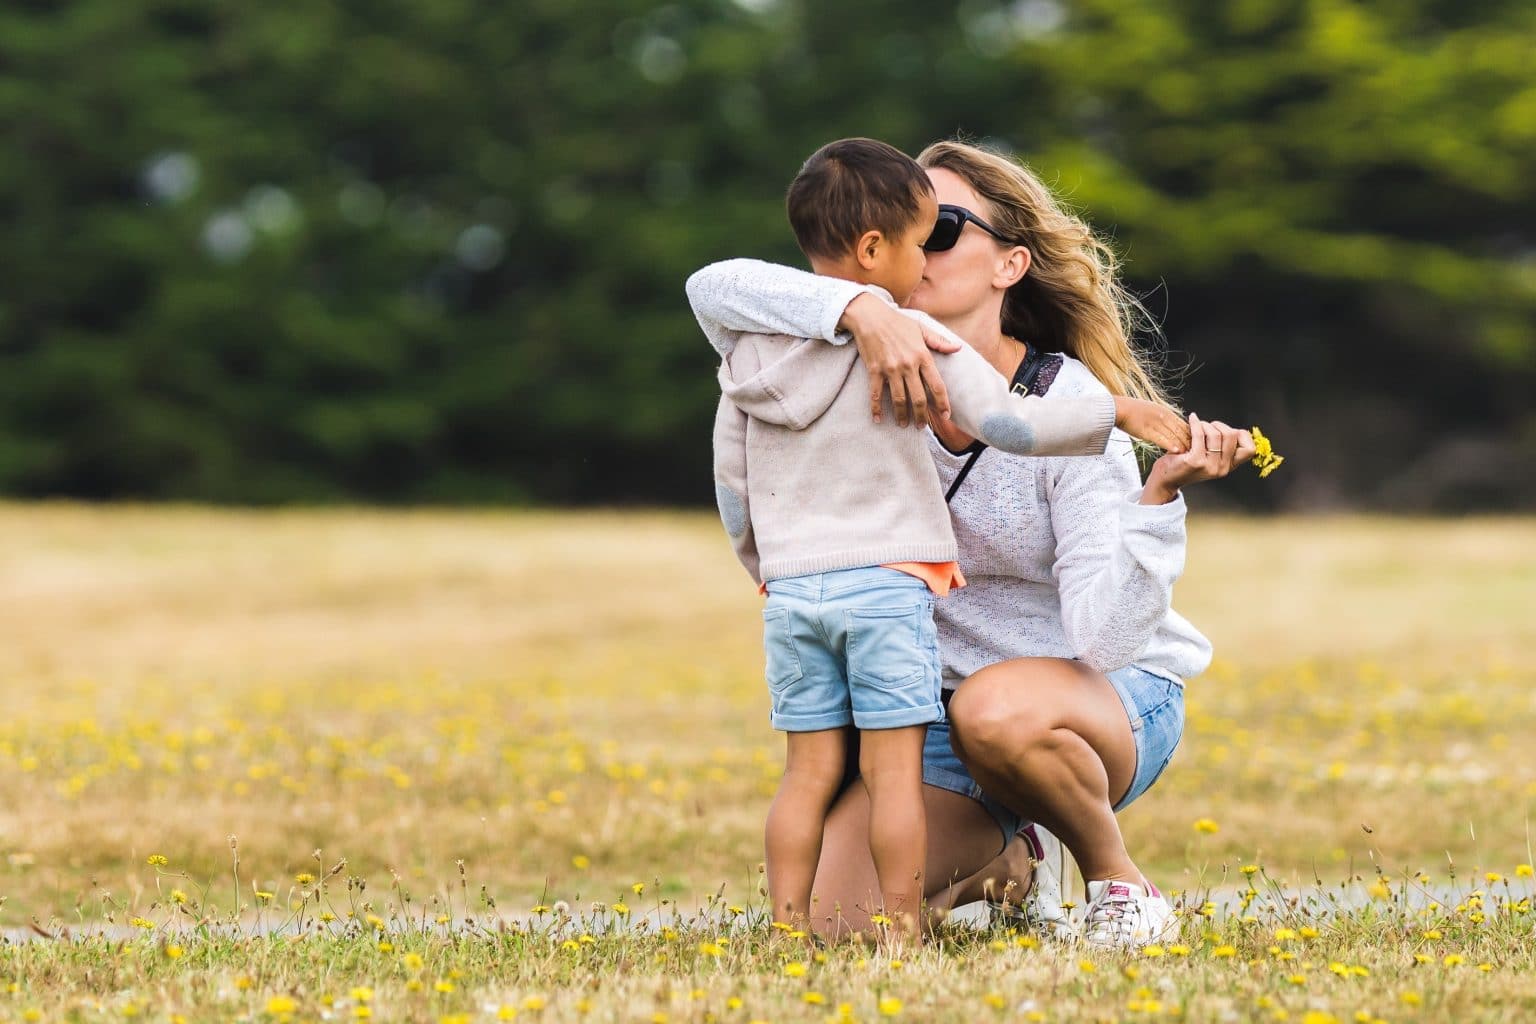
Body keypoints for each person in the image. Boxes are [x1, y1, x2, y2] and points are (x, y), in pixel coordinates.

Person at [687, 139, 1256, 946]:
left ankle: (1116, 882)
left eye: (942, 227)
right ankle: (1010, 867)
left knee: (998, 709)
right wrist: (860, 310)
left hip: (1094, 702)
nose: (918, 246)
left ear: (1010, 265)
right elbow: (712, 288)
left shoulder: (1067, 408)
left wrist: (1156, 499)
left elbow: (1104, 640)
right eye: (904, 224)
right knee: (837, 924)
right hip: (933, 710)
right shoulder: (845, 365)